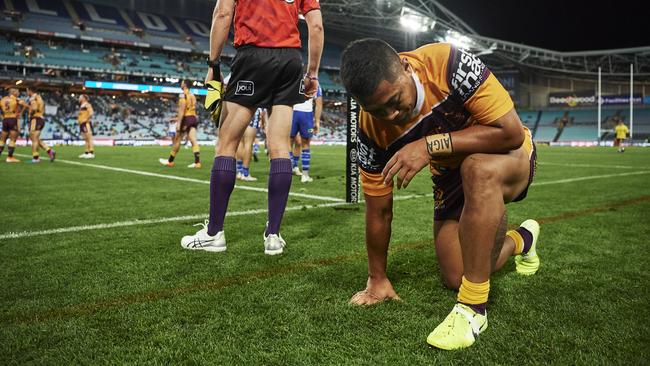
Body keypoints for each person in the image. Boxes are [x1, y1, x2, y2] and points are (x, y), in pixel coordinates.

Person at [340, 39, 541, 350]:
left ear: (406, 68)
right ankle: (522, 240)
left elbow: (510, 133)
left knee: (477, 169)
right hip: (450, 177)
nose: (391, 115)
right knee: (457, 273)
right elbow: (378, 210)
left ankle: (472, 310)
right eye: (377, 110)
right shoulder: (370, 131)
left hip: (507, 156)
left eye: (395, 100)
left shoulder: (448, 64)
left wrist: (429, 145)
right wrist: (376, 278)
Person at [180, 0, 323, 255]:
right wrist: (312, 73)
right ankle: (273, 236)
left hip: (253, 57)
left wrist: (213, 65)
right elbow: (316, 26)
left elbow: (223, 13)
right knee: (280, 147)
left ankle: (214, 233)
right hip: (290, 60)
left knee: (226, 144)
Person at [159, 80, 202, 168]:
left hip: (186, 119)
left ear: (185, 85)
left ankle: (170, 161)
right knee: (193, 140)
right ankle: (197, 162)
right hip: (193, 118)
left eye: (182, 83)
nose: (181, 84)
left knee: (177, 140)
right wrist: (176, 118)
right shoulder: (193, 96)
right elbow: (190, 110)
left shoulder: (183, 95)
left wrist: (178, 123)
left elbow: (182, 111)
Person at [290, 83, 323, 182]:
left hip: (292, 113)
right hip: (306, 115)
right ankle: (304, 175)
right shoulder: (315, 83)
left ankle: (287, 171)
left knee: (288, 143)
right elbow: (319, 103)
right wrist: (317, 121)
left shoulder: (293, 78)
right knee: (306, 144)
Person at [236, 107, 266, 181]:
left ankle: (239, 172)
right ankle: (245, 174)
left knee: (240, 142)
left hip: (240, 109)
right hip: (252, 108)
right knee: (248, 143)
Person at [26, 87, 55, 163]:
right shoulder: (39, 97)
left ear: (30, 90)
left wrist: (30, 114)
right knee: (35, 138)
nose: (26, 92)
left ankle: (35, 158)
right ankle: (49, 151)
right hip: (40, 118)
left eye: (27, 91)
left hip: (36, 119)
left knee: (34, 139)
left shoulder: (33, 98)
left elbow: (34, 108)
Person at [0, 87, 28, 163]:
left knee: (2, 140)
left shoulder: (3, 99)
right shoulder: (16, 99)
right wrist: (21, 113)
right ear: (13, 92)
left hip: (5, 119)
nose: (18, 93)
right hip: (12, 119)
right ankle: (10, 157)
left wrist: (2, 117)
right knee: (13, 139)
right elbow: (26, 105)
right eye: (17, 92)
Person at [77, 95, 95, 159]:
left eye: (80, 97)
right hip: (81, 124)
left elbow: (91, 113)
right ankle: (86, 152)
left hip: (85, 123)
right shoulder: (81, 106)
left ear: (84, 98)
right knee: (85, 139)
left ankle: (91, 152)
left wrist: (86, 119)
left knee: (89, 138)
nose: (79, 98)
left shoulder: (87, 105)